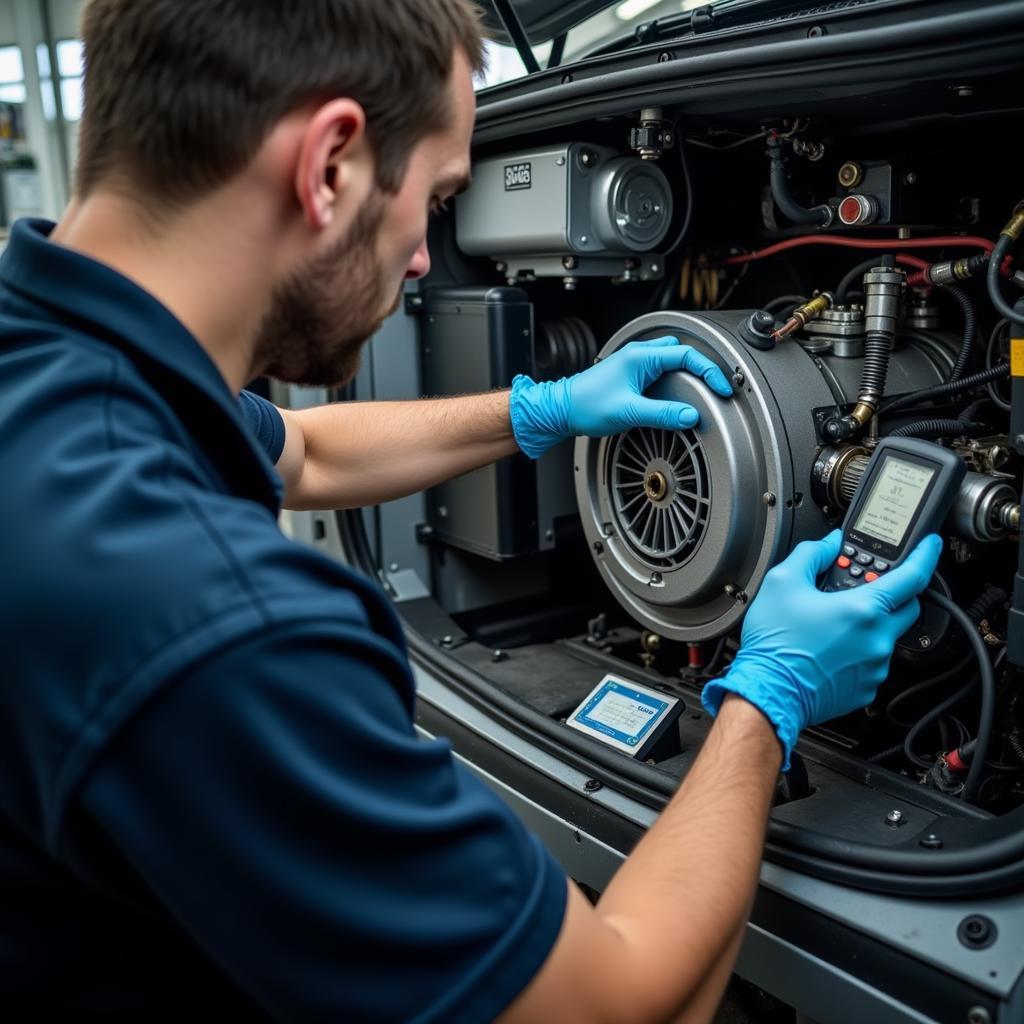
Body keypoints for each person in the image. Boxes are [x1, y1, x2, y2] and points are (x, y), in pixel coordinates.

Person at [0, 1, 941, 1020]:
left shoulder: (54, 367)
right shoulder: (217, 618)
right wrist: (767, 698)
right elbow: (621, 1009)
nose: (420, 261)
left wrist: (539, 410)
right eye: (436, 199)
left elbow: (300, 449)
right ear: (329, 166)